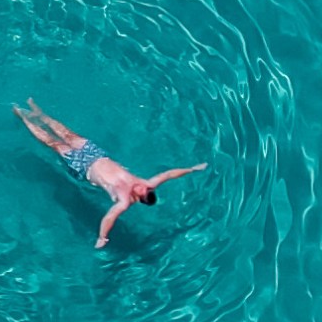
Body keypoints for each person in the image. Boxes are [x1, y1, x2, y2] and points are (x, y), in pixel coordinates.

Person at [14, 99, 207, 247]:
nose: (140, 185)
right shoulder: (147, 184)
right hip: (97, 154)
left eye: (140, 190)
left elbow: (109, 217)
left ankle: (23, 117)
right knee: (67, 134)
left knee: (53, 143)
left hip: (84, 167)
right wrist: (191, 169)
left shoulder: (123, 200)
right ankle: (39, 113)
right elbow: (169, 174)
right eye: (144, 187)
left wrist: (102, 237)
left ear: (138, 198)